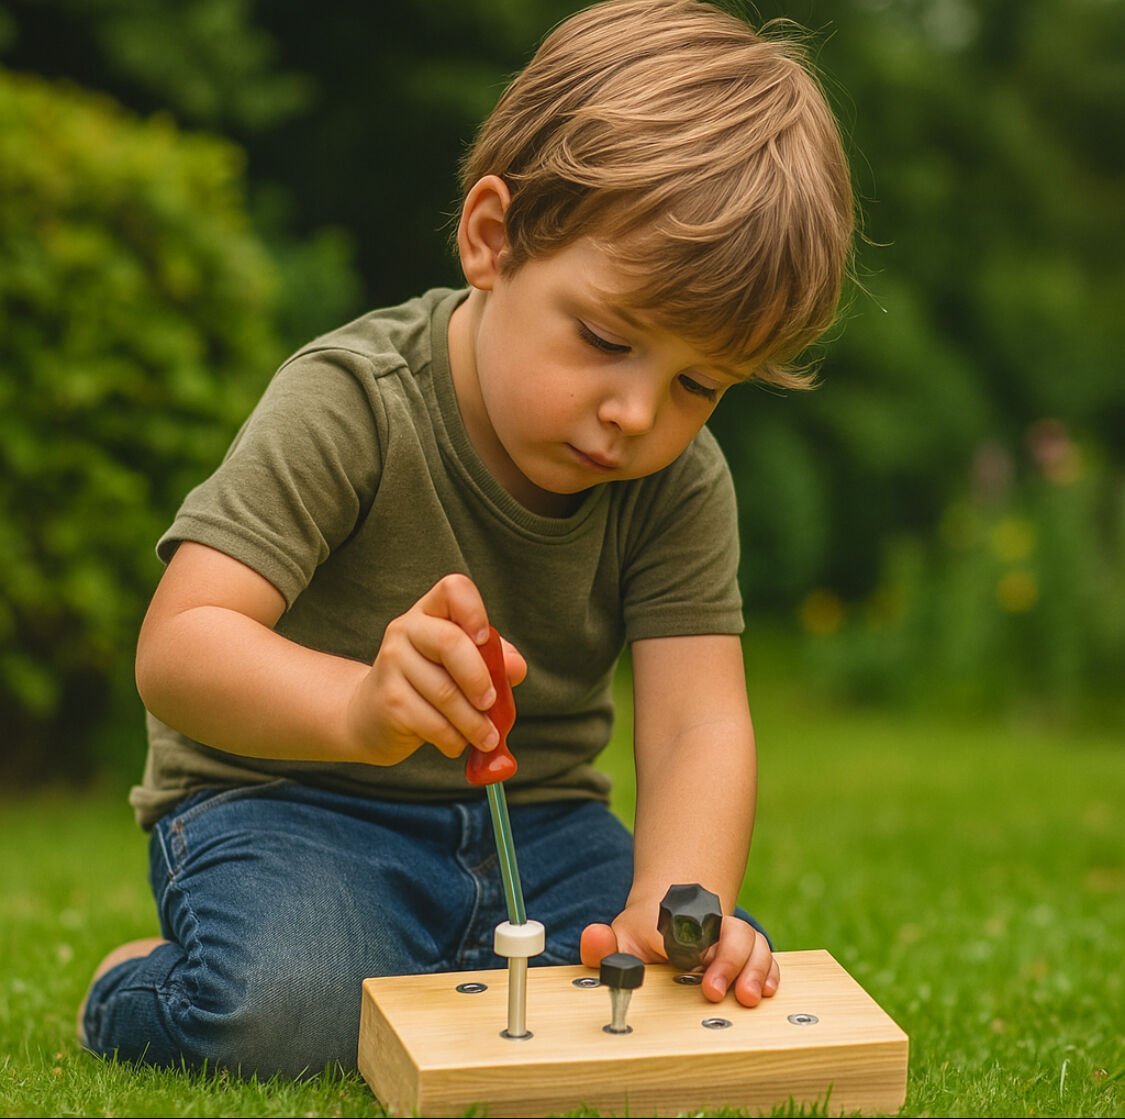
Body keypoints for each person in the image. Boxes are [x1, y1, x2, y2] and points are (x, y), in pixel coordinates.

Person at [79, 0, 854, 1077]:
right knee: (282, 1010)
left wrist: (675, 906)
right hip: (291, 804)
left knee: (677, 1004)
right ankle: (141, 983)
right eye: (606, 339)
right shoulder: (352, 402)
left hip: (541, 824)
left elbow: (697, 726)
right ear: (493, 237)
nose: (637, 414)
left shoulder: (679, 483)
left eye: (697, 383)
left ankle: (461, 961)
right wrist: (360, 710)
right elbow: (180, 648)